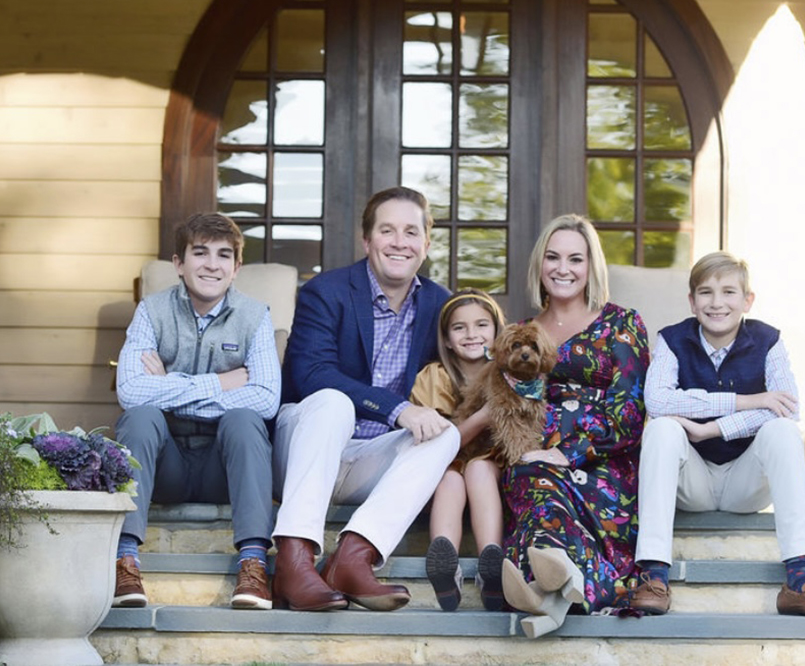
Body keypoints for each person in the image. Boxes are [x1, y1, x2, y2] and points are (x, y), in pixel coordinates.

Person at [629, 251, 805, 618]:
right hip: (692, 482)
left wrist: (711, 428)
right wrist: (747, 400)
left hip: (746, 483)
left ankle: (799, 579)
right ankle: (653, 575)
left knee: (782, 430)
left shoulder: (768, 341)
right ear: (691, 300)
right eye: (706, 293)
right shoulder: (672, 340)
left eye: (729, 292)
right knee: (662, 429)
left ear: (747, 300)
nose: (717, 303)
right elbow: (657, 401)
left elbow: (788, 408)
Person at [270, 186, 460, 612]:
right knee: (333, 401)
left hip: (370, 459)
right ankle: (294, 559)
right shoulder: (326, 291)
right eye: (387, 230)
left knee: (446, 434)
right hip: (305, 448)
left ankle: (354, 557)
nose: (399, 242)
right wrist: (397, 409)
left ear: (426, 245)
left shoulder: (439, 303)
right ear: (367, 240)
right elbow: (312, 374)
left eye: (411, 232)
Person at [112, 213, 280, 611]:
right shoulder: (151, 311)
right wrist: (221, 382)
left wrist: (168, 382)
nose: (211, 264)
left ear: (236, 268)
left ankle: (253, 565)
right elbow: (131, 391)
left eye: (224, 255)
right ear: (179, 264)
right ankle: (124, 560)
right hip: (165, 461)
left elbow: (266, 398)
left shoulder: (255, 316)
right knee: (140, 417)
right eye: (200, 253)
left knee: (245, 420)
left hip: (224, 467)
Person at [500, 214, 649, 638]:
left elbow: (632, 412)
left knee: (541, 476)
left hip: (605, 463)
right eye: (552, 257)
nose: (562, 268)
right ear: (539, 265)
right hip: (536, 458)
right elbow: (508, 400)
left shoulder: (622, 323)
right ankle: (554, 592)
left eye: (575, 259)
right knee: (529, 473)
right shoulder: (524, 334)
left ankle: (546, 591)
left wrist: (569, 453)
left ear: (591, 267)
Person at [413, 289, 507, 613]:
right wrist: (482, 418)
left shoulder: (509, 374)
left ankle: (491, 566)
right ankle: (445, 568)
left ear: (497, 331)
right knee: (451, 479)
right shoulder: (435, 376)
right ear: (447, 339)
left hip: (494, 463)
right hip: (447, 462)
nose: (471, 335)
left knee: (479, 470)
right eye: (459, 328)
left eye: (482, 324)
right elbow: (437, 446)